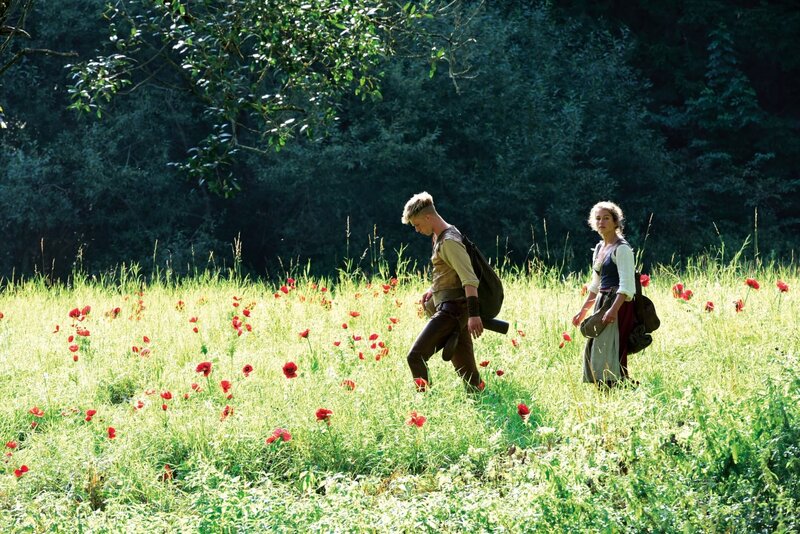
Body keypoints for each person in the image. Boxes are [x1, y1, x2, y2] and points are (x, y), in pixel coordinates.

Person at [401, 192, 484, 391]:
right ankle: (479, 398)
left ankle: (425, 404)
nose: (417, 230)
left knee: (415, 356)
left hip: (453, 311)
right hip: (453, 309)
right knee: (470, 379)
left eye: (417, 224)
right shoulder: (439, 237)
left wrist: (474, 315)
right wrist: (433, 290)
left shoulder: (450, 242)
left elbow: (469, 279)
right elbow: (449, 272)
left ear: (428, 217)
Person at [572, 201, 637, 387]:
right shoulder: (600, 248)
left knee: (610, 350)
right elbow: (596, 285)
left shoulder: (622, 249)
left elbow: (627, 286)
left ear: (616, 222)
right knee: (597, 350)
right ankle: (606, 393)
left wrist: (613, 311)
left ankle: (618, 390)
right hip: (603, 302)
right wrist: (583, 311)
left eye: (606, 218)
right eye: (598, 218)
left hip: (618, 304)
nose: (602, 222)